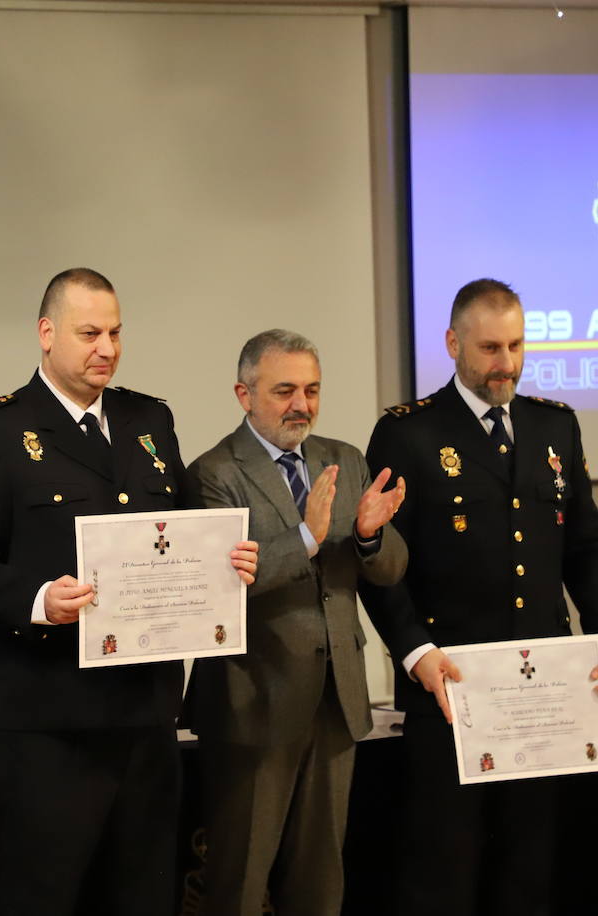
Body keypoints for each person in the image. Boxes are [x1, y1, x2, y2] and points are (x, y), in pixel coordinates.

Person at [0, 267, 259, 916]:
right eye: (89, 333)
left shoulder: (149, 418)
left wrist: (226, 561)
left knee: (144, 893)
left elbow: (178, 532)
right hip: (51, 717)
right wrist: (38, 601)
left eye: (115, 333)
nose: (107, 349)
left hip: (145, 711)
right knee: (45, 894)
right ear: (46, 333)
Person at [359, 278, 598, 915]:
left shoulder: (554, 426)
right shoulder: (411, 433)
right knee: (442, 872)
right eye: (488, 348)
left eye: (514, 346)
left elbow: (587, 548)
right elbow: (378, 562)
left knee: (529, 870)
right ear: (453, 344)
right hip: (451, 687)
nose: (504, 363)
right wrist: (415, 651)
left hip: (544, 688)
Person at [183, 329, 408, 916]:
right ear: (244, 394)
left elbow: (391, 569)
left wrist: (368, 535)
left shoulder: (345, 459)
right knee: (238, 879)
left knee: (320, 880)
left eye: (311, 390)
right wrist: (306, 535)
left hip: (337, 702)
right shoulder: (213, 473)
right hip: (252, 701)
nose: (301, 405)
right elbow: (221, 582)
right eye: (284, 391)